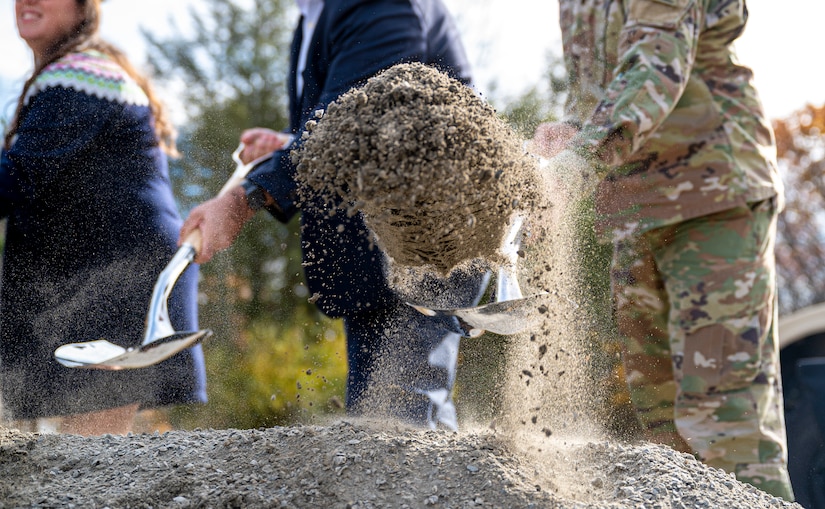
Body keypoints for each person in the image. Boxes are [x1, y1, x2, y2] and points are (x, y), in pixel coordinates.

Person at [529, 0, 794, 500]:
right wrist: (572, 127)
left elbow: (654, 62)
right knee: (663, 438)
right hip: (631, 211)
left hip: (711, 198)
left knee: (726, 426)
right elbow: (602, 85)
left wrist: (578, 162)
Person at [179, 0, 486, 431]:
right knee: (394, 417)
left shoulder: (381, 4)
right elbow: (346, 116)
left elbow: (350, 121)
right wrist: (288, 144)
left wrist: (240, 201)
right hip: (378, 244)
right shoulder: (315, 14)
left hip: (424, 238)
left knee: (399, 422)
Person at [0, 0, 207, 435]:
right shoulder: (72, 75)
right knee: (54, 456)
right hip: (82, 280)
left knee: (86, 458)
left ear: (82, 8)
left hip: (120, 283)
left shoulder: (81, 78)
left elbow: (14, 181)